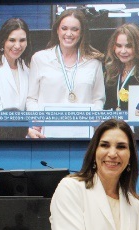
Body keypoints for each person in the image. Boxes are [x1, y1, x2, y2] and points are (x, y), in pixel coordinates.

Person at [26, 9, 105, 138]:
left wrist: (93, 121)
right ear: (57, 30)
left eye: (74, 29)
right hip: (46, 133)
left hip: (83, 134)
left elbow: (98, 99)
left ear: (82, 33)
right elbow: (31, 99)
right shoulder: (39, 58)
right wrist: (38, 120)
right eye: (64, 28)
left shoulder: (94, 63)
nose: (69, 33)